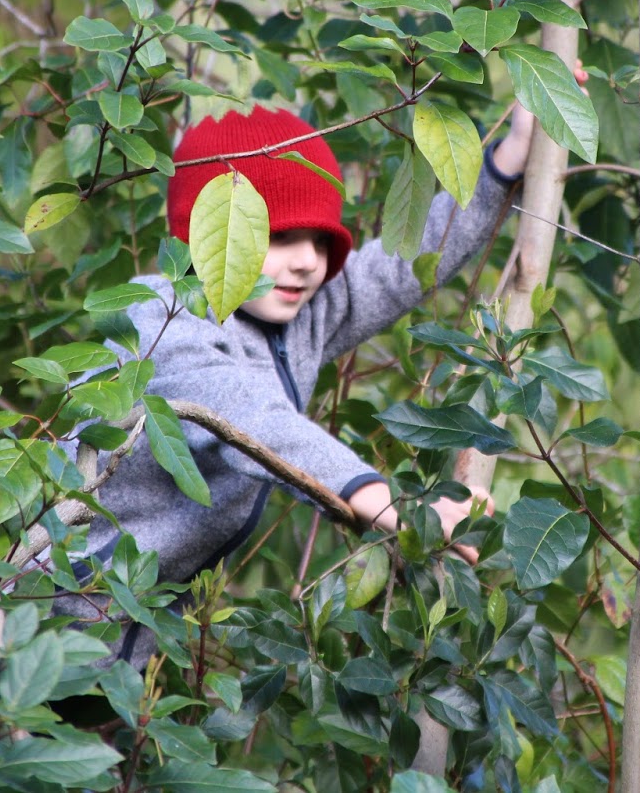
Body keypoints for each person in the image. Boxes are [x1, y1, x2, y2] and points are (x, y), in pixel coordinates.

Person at [52, 99, 539, 665]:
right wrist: (390, 502)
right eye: (280, 236)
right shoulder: (163, 321)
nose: (307, 260)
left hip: (132, 639)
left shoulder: (296, 313)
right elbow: (249, 419)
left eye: (320, 239)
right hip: (52, 611)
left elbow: (396, 269)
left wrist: (505, 163)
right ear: (207, 239)